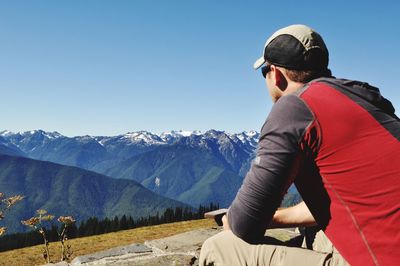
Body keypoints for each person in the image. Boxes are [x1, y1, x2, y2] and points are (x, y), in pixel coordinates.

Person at [199, 24, 400, 266]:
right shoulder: (366, 99)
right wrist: (274, 218)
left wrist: (232, 219)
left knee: (218, 248)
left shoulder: (294, 108)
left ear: (275, 74)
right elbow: (343, 203)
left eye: (264, 72)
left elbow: (243, 225)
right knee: (314, 234)